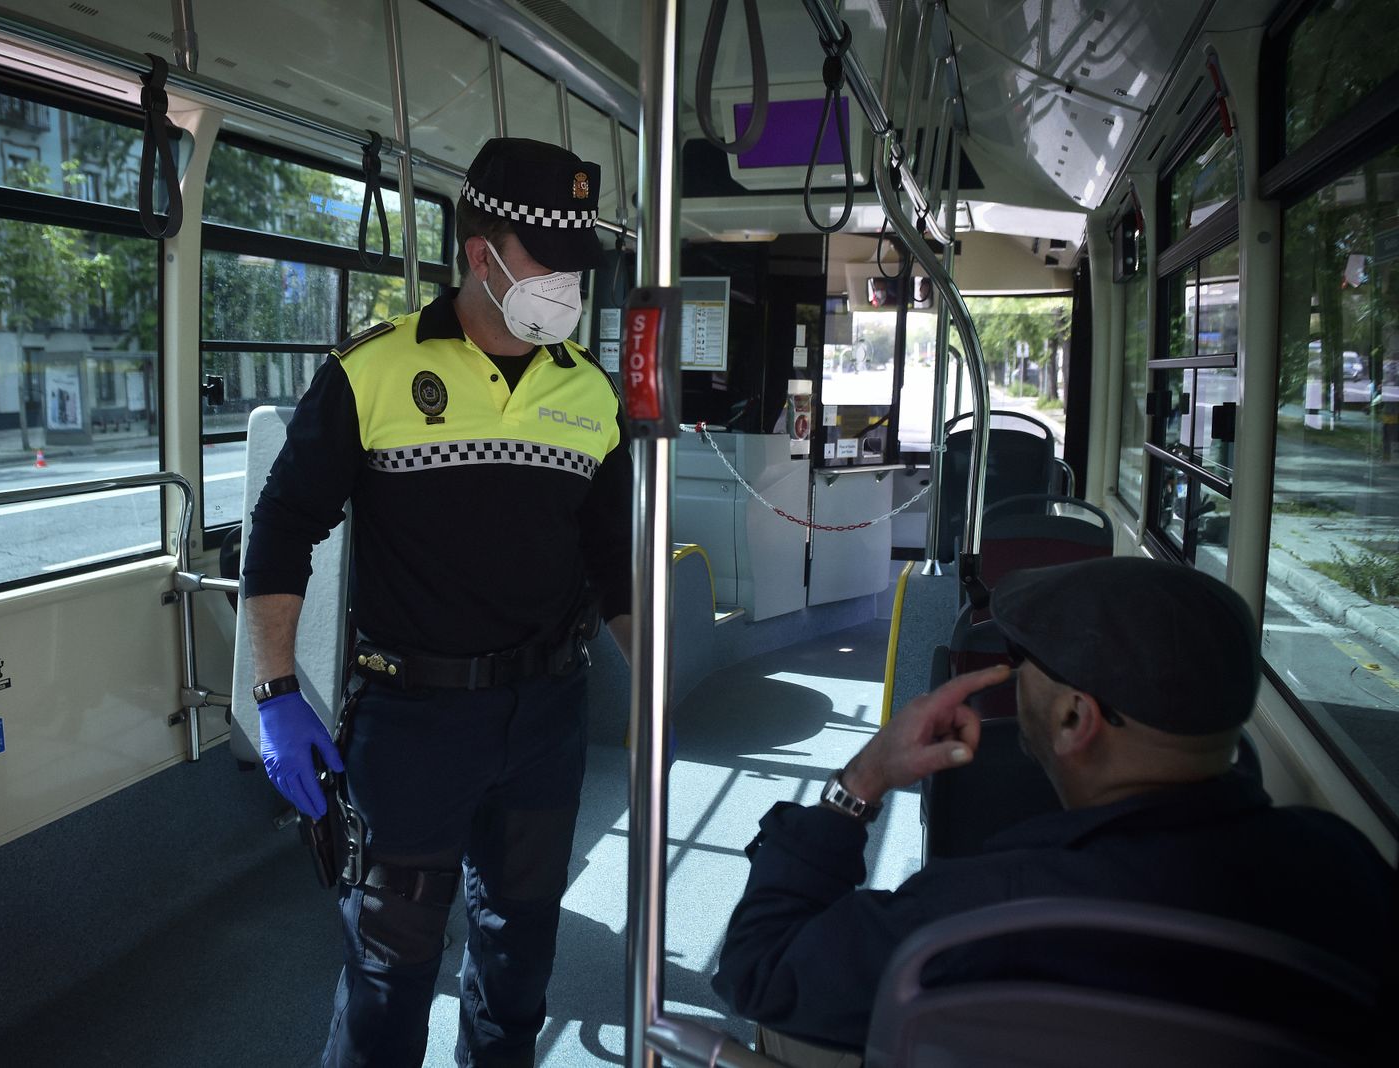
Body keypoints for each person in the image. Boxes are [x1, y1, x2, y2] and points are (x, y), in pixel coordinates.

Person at [242, 137, 632, 1068]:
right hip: (412, 724)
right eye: (550, 265)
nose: (568, 289)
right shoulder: (367, 376)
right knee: (388, 974)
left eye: (580, 269)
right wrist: (276, 694)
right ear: (481, 255)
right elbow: (282, 529)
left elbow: (612, 567)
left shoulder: (591, 393)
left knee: (519, 963)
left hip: (545, 717)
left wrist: (656, 686)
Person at [713, 556, 1392, 1065]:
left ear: (1074, 717)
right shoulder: (1347, 865)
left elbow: (760, 966)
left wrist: (863, 777)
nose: (1012, 671)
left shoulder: (981, 912)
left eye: (1020, 658)